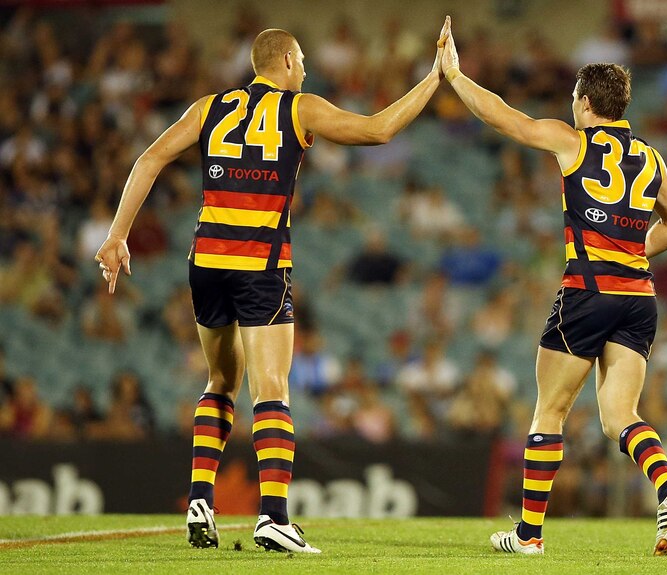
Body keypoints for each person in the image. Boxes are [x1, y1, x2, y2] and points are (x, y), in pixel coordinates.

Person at [95, 19, 452, 554]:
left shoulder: (207, 107)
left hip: (206, 259)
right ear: (285, 62)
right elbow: (378, 130)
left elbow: (149, 159)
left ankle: (199, 500)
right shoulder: (298, 107)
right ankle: (274, 517)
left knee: (220, 382)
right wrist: (433, 78)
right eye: (302, 60)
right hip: (259, 262)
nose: (305, 68)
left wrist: (117, 234)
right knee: (272, 388)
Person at [440, 23, 667, 556]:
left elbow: (505, 118)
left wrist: (456, 76)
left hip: (586, 292)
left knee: (548, 412)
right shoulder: (650, 157)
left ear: (583, 102)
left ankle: (529, 536)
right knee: (620, 416)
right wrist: (632, 253)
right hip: (638, 298)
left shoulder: (572, 141)